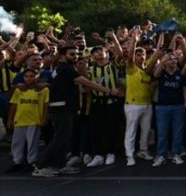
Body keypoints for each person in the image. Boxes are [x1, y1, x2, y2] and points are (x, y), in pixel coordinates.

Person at [37, 44, 123, 175]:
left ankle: (59, 165)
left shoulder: (62, 68)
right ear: (61, 56)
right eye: (72, 54)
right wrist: (110, 90)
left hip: (66, 108)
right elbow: (86, 82)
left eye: (76, 54)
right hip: (61, 108)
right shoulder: (66, 69)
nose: (75, 56)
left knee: (65, 139)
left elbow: (50, 83)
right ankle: (43, 167)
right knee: (59, 139)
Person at [6, 66, 49, 175]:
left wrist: (44, 117)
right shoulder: (19, 90)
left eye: (32, 76)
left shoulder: (43, 89)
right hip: (20, 119)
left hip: (34, 120)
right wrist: (10, 119)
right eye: (26, 76)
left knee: (32, 143)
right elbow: (14, 105)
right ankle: (17, 162)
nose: (29, 79)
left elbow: (45, 105)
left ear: (37, 76)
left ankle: (31, 162)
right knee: (17, 143)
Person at [151, 49, 186, 165]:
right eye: (170, 59)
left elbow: (185, 88)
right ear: (165, 62)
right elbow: (155, 74)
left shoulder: (180, 74)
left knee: (178, 131)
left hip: (178, 106)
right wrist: (162, 61)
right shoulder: (161, 73)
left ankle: (176, 154)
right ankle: (161, 155)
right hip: (162, 107)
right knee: (162, 132)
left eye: (174, 59)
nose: (173, 60)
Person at [122, 44, 155, 166]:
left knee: (146, 131)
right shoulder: (131, 69)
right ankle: (129, 155)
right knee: (131, 131)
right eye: (138, 54)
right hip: (133, 105)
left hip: (147, 104)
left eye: (143, 55)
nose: (141, 57)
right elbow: (129, 57)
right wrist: (134, 41)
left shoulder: (146, 71)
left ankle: (143, 151)